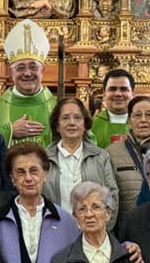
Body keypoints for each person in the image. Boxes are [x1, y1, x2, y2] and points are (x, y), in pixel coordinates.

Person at [43, 97, 120, 230]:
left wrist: (101, 230)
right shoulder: (44, 158)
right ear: (57, 126)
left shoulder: (100, 156)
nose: (72, 123)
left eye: (77, 118)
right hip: (54, 232)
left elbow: (112, 196)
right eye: (65, 118)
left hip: (94, 232)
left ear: (85, 124)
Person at [0, 19, 57, 145]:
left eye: (33, 67)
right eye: (20, 68)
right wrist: (9, 131)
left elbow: (86, 142)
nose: (27, 73)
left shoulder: (59, 107)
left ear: (42, 70)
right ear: (11, 72)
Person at [106, 95, 150, 219]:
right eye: (137, 115)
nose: (143, 120)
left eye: (149, 115)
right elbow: (109, 197)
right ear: (129, 120)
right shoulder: (112, 153)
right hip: (128, 226)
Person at [90, 69, 135, 148]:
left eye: (124, 89)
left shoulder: (146, 125)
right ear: (104, 94)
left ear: (132, 94)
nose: (118, 94)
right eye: (112, 89)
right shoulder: (90, 126)